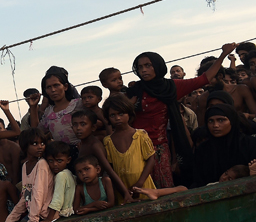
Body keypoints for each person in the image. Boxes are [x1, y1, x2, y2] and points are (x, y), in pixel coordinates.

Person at [126, 44, 234, 188]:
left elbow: (203, 79)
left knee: (163, 188)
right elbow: (118, 112)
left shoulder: (171, 87)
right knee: (138, 189)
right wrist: (128, 105)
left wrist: (223, 54)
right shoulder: (135, 89)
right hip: (134, 147)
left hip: (159, 149)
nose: (144, 70)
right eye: (140, 67)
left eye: (148, 65)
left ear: (158, 66)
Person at [103, 93, 157, 202]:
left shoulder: (140, 135)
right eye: (112, 115)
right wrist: (123, 190)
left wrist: (140, 183)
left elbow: (151, 159)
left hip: (144, 186)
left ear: (129, 113)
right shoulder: (108, 141)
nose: (117, 118)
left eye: (121, 113)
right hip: (122, 190)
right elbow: (111, 168)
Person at [71, 109, 133, 203]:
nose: (78, 128)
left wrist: (125, 193)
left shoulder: (94, 145)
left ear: (93, 127)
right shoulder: (83, 144)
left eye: (83, 124)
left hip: (101, 192)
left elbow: (109, 170)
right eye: (75, 125)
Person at [191, 104, 256, 187]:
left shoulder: (249, 144)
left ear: (232, 121)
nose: (215, 125)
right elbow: (198, 180)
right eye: (211, 121)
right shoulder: (202, 150)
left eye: (221, 120)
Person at [4, 128, 54, 222]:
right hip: (35, 214)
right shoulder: (25, 166)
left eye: (42, 143)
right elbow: (26, 194)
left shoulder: (42, 164)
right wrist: (12, 218)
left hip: (44, 214)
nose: (40, 147)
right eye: (35, 144)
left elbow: (38, 193)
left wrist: (32, 221)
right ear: (25, 147)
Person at [30, 66, 82, 148]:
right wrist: (33, 107)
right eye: (49, 87)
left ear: (65, 86)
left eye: (56, 85)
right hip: (61, 156)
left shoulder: (79, 104)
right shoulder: (49, 112)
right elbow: (36, 133)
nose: (53, 90)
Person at [40, 141, 75, 222]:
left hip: (63, 214)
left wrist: (49, 218)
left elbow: (57, 199)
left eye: (59, 161)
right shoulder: (68, 173)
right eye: (51, 161)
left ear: (68, 160)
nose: (55, 164)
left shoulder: (61, 175)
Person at [0, 118, 23, 185]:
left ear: (5, 130)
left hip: (15, 182)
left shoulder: (14, 147)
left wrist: (14, 186)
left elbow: (16, 171)